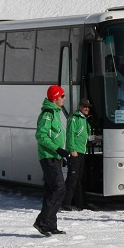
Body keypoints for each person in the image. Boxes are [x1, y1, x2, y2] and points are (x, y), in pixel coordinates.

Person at [34, 85, 70, 236]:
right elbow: (41, 136)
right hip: (48, 156)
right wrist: (57, 149)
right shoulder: (48, 114)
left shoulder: (55, 112)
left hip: (54, 156)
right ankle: (42, 222)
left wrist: (60, 154)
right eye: (62, 96)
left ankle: (50, 225)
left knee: (51, 190)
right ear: (55, 98)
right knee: (59, 188)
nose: (64, 98)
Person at [63, 99, 98, 212]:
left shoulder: (85, 120)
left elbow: (86, 136)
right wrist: (72, 150)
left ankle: (80, 203)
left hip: (82, 152)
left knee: (79, 179)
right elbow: (70, 135)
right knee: (72, 179)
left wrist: (94, 139)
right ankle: (66, 203)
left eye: (88, 107)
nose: (87, 109)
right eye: (84, 107)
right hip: (75, 152)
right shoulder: (74, 118)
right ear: (80, 107)